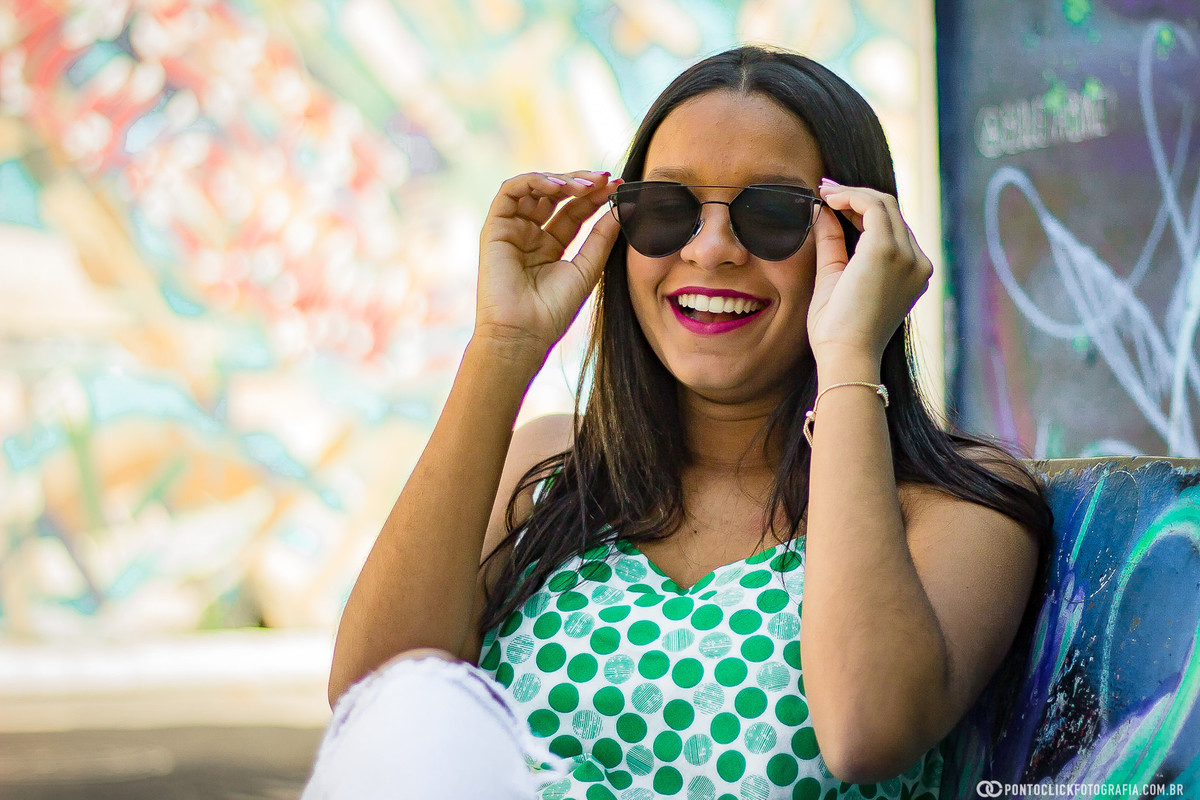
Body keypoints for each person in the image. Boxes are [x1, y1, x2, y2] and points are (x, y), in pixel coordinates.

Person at [302, 45, 1052, 800]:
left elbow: (867, 731)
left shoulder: (957, 503)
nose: (712, 249)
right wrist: (504, 348)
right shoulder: (550, 471)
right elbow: (377, 710)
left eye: (772, 213)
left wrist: (850, 359)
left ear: (860, 243)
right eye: (667, 209)